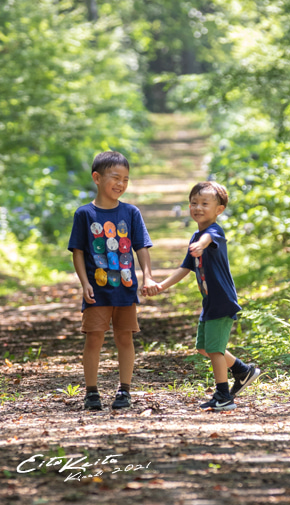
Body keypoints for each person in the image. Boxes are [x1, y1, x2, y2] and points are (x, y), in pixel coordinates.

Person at [147, 181, 260, 411]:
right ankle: (242, 370)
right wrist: (162, 286)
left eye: (204, 203)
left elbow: (209, 238)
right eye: (193, 203)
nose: (198, 207)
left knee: (215, 350)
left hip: (222, 301)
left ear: (219, 209)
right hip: (209, 303)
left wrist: (201, 244)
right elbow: (184, 268)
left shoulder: (213, 232)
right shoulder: (195, 236)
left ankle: (223, 395)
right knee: (204, 348)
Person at [68, 151, 158, 411]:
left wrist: (147, 275)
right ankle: (91, 392)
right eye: (115, 177)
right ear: (97, 177)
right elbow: (78, 251)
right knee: (94, 338)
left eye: (126, 179)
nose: (121, 184)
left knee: (125, 338)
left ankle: (125, 390)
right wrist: (84, 283)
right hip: (97, 290)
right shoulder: (84, 214)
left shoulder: (130, 212)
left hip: (125, 289)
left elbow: (141, 247)